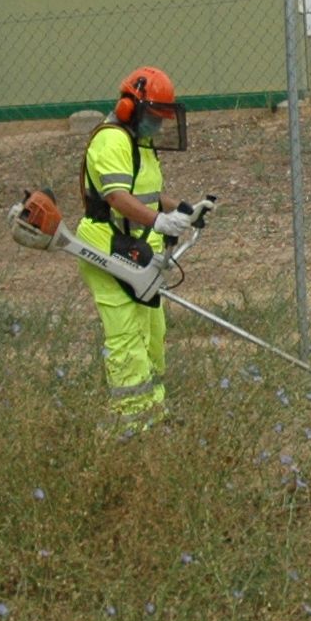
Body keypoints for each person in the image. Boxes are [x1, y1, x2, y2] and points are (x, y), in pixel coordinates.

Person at [78, 66, 199, 421]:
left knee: (153, 330)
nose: (158, 125)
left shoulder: (140, 144)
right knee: (126, 337)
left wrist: (184, 211)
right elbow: (116, 196)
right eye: (153, 116)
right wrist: (160, 221)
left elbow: (147, 194)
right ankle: (131, 421)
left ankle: (154, 410)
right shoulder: (111, 140)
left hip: (137, 246)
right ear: (130, 108)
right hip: (106, 246)